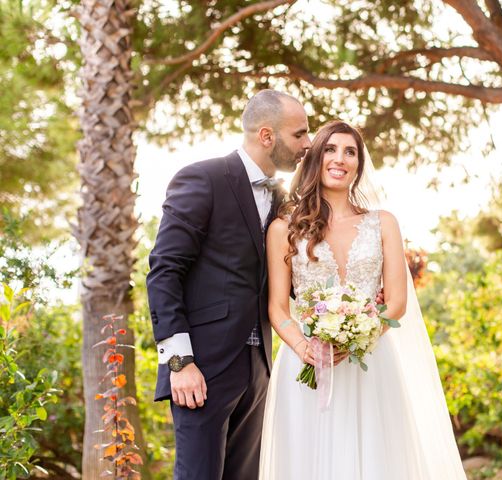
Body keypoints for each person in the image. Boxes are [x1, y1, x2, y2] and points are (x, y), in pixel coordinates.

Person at [260, 120, 468, 479]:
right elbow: (277, 307)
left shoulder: (383, 223)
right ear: (315, 157)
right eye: (330, 149)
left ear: (359, 164)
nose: (340, 158)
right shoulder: (284, 228)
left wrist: (356, 334)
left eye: (350, 151)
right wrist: (304, 347)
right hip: (305, 363)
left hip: (371, 361)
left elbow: (397, 302)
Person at [146, 89, 311, 480]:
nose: (308, 144)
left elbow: (284, 279)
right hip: (202, 368)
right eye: (300, 134)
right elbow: (163, 271)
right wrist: (179, 362)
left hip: (259, 368)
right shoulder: (202, 178)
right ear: (267, 136)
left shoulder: (283, 200)